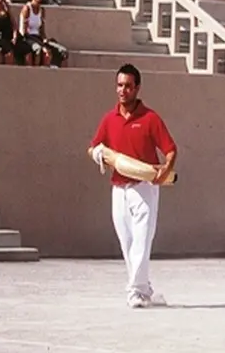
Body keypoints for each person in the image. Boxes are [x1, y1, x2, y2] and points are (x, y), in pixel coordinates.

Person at [87, 64, 177, 309]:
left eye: (128, 86)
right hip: (118, 189)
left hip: (144, 189)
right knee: (127, 243)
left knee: (141, 241)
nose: (123, 90)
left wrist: (165, 171)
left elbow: (170, 150)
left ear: (137, 88)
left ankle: (135, 291)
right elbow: (93, 147)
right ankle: (144, 289)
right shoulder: (109, 119)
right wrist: (98, 154)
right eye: (119, 85)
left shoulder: (150, 118)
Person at [19, 0, 69, 67]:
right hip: (28, 38)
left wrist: (45, 40)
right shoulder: (27, 9)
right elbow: (24, 32)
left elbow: (42, 30)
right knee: (41, 50)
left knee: (63, 51)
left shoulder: (42, 10)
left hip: (38, 38)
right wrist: (41, 44)